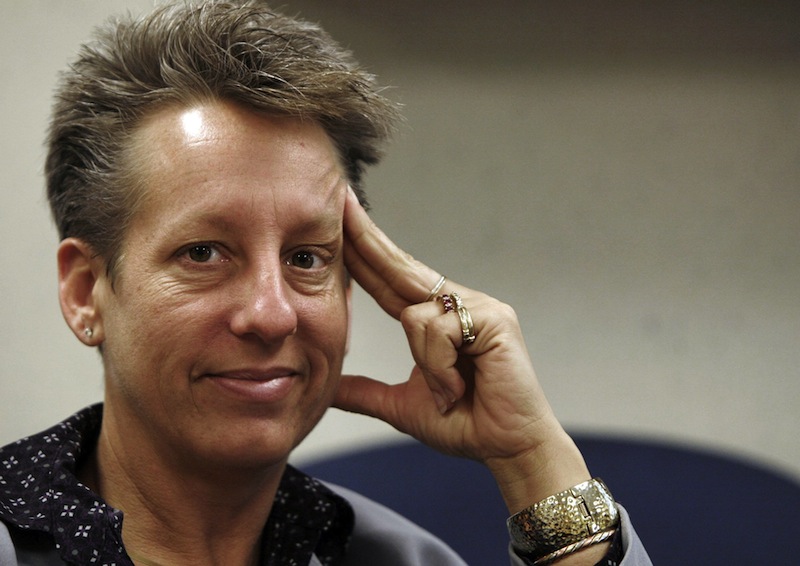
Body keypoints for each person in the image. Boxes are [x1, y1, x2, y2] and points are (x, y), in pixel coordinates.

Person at [0, 1, 652, 565]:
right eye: (204, 252)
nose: (273, 314)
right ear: (87, 291)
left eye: (308, 258)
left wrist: (531, 459)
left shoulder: (401, 560)